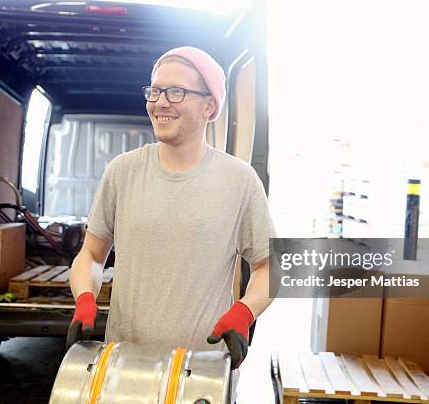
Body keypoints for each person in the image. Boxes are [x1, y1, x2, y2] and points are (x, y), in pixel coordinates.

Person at [67, 46, 275, 393]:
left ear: (209, 106)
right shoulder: (123, 171)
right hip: (123, 369)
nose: (160, 102)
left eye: (176, 92)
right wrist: (85, 298)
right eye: (155, 90)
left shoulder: (239, 180)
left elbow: (271, 266)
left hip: (202, 373)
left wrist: (244, 313)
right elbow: (91, 255)